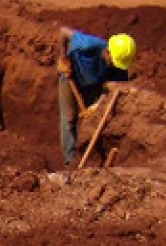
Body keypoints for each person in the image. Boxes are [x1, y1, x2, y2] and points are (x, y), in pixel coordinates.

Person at [56, 27, 136, 167]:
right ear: (108, 52)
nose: (115, 65)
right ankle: (70, 162)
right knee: (69, 118)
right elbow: (63, 32)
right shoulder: (88, 44)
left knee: (91, 120)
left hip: (93, 85)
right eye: (113, 61)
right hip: (71, 77)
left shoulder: (119, 67)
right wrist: (63, 57)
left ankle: (89, 158)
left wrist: (97, 105)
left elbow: (114, 89)